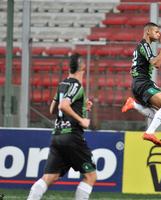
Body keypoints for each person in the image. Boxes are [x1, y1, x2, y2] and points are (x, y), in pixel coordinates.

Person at [27, 53, 97, 200]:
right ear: (83, 66)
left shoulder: (62, 84)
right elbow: (63, 105)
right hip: (71, 136)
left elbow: (53, 109)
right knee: (90, 176)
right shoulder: (76, 85)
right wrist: (81, 119)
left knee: (49, 177)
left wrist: (82, 107)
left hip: (57, 135)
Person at [121, 22, 161, 146]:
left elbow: (156, 62)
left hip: (138, 83)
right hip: (143, 82)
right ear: (148, 32)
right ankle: (149, 132)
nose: (159, 34)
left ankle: (133, 104)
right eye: (156, 31)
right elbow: (157, 63)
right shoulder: (144, 45)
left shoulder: (144, 46)